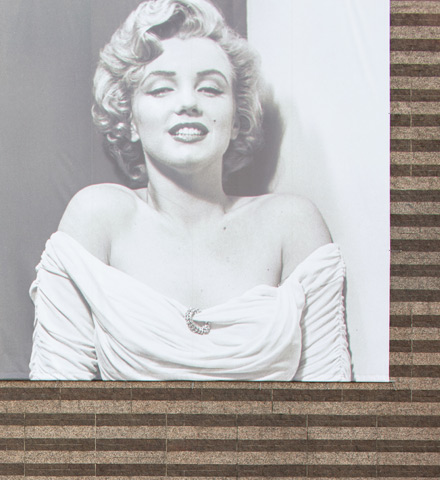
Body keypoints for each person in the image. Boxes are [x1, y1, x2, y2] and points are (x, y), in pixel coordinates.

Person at [29, 0, 352, 382]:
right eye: (161, 89)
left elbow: (334, 405)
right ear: (130, 118)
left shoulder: (292, 224)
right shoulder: (97, 217)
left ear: (236, 118)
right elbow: (57, 404)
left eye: (211, 89)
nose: (188, 103)